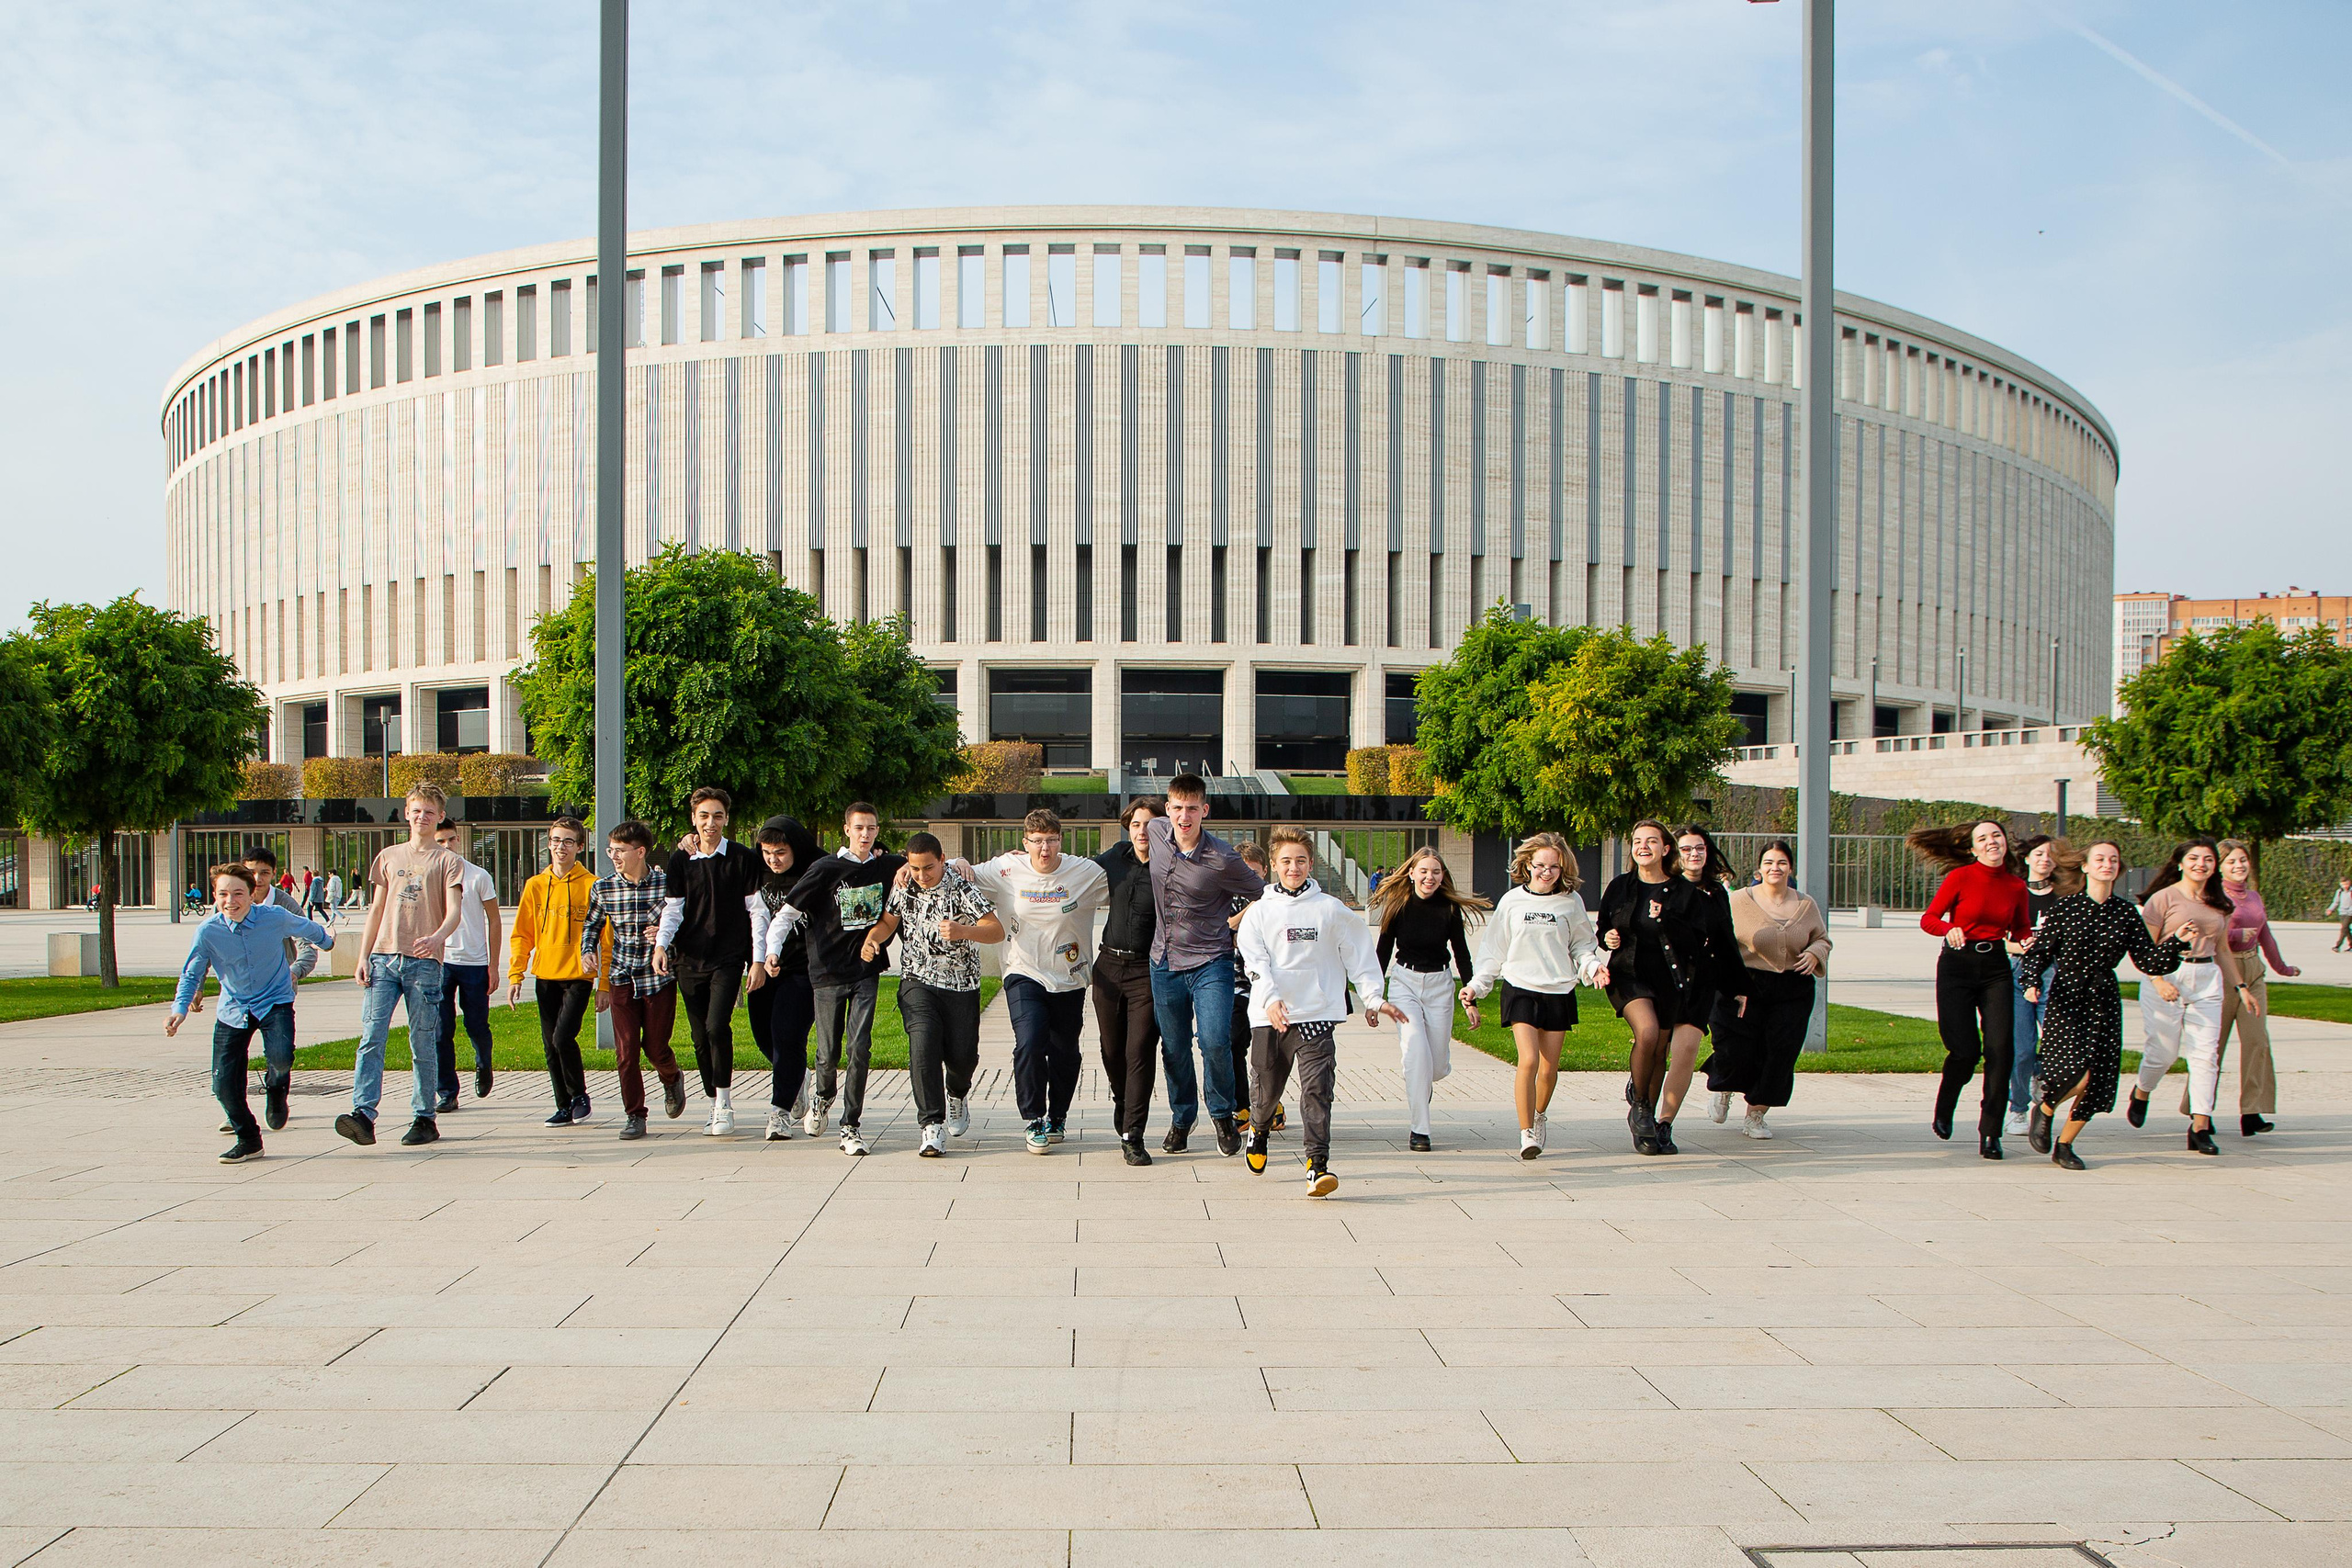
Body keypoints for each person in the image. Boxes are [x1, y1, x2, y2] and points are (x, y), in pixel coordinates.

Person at [1236, 826, 1404, 1195]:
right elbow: (1256, 963)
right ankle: (1259, 1131)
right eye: (1285, 861)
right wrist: (1270, 999)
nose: (1293, 868)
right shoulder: (1259, 914)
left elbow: (1359, 955)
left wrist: (1373, 998)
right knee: (1265, 1093)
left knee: (1317, 1091)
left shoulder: (1331, 910)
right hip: (1270, 1017)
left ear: (1311, 863)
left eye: (1300, 861)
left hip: (1316, 1015)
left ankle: (1317, 1165)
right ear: (1275, 865)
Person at [2022, 840, 2194, 1169]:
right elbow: (2039, 953)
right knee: (2077, 1074)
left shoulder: (2126, 912)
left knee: (2097, 1080)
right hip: (2068, 995)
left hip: (2103, 999)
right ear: (2085, 867)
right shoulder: (2065, 907)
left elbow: (2149, 961)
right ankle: (2044, 1109)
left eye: (2113, 859)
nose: (2107, 864)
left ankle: (2066, 1144)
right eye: (2099, 859)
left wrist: (2177, 941)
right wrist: (2030, 982)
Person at [1595, 821, 1747, 1156]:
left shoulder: (1684, 893)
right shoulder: (1620, 886)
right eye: (1637, 841)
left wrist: (1666, 920)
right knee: (1648, 1032)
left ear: (1666, 849)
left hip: (1671, 980)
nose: (1642, 846)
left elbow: (1698, 941)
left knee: (1661, 1049)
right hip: (1629, 974)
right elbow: (1605, 924)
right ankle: (1641, 1105)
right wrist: (1607, 936)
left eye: (1651, 841)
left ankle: (1650, 1121)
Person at [169, 862, 336, 1163]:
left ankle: (276, 1088)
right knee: (222, 1086)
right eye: (223, 894)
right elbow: (192, 972)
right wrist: (179, 1009)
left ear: (251, 894)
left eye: (238, 893)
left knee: (281, 1056)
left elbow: (307, 927)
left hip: (275, 1001)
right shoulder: (208, 931)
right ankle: (248, 1138)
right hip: (233, 1009)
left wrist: (327, 941)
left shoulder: (273, 917)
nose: (230, 901)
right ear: (215, 896)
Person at [967, 809, 1107, 1154]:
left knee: (1065, 1052)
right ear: (1025, 842)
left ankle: (1057, 1116)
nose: (1044, 849)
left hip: (1070, 977)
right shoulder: (1006, 869)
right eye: (1037, 841)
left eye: (1051, 841)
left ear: (1060, 840)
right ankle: (1033, 1118)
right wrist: (946, 861)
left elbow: (1125, 878)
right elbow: (961, 871)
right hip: (1023, 971)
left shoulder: (1084, 871)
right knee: (1030, 1042)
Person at [1146, 773, 1265, 1156]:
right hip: (1163, 961)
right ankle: (1182, 1119)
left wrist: (1235, 923)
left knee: (1215, 1040)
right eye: (1177, 808)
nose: (1184, 817)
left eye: (1192, 809)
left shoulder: (1222, 858)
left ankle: (1222, 1114)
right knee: (1175, 1047)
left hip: (1210, 960)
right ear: (1168, 809)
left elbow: (1261, 893)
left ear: (1204, 811)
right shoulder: (1156, 831)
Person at [776, 803, 906, 1155]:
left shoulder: (887, 865)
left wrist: (962, 864)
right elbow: (788, 913)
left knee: (859, 1048)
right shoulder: (825, 869)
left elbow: (928, 860)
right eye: (860, 828)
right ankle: (822, 1095)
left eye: (872, 828)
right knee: (828, 1051)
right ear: (846, 829)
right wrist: (771, 950)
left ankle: (851, 1125)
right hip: (827, 972)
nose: (866, 834)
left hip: (866, 971)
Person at [1464, 831, 1602, 1159]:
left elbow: (1583, 945)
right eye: (1540, 865)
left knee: (1549, 1068)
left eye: (1553, 867)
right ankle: (1527, 1133)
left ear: (1562, 868)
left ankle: (1539, 1115)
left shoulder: (1571, 902)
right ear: (1527, 865)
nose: (1546, 872)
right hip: (1520, 988)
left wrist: (1593, 967)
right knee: (1527, 1060)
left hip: (1558, 990)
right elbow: (1493, 951)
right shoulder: (1512, 902)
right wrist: (1476, 986)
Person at [862, 833, 1001, 1156]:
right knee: (922, 1046)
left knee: (963, 1057)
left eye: (929, 868)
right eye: (915, 868)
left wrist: (963, 930)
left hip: (961, 985)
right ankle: (931, 1125)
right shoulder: (904, 884)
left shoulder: (960, 887)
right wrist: (874, 938)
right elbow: (888, 921)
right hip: (917, 980)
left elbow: (996, 930)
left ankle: (957, 1093)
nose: (922, 876)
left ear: (942, 859)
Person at [344, 781, 465, 1149]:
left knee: (422, 1041)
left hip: (424, 963)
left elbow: (455, 911)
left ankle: (424, 1116)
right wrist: (363, 956)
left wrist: (437, 937)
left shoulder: (448, 861)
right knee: (371, 1037)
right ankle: (362, 1114)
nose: (422, 817)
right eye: (416, 810)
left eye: (430, 812)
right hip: (384, 958)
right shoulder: (389, 856)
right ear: (406, 813)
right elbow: (376, 910)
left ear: (440, 816)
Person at [1909, 818, 2030, 1159]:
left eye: (1997, 835)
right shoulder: (1960, 878)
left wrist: (2028, 938)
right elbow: (1929, 918)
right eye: (1983, 838)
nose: (1992, 841)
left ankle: (1991, 1132)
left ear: (2005, 842)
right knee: (1964, 1050)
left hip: (1996, 968)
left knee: (2000, 1051)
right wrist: (1948, 928)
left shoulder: (2015, 886)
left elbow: (2019, 927)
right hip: (1957, 966)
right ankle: (1946, 1102)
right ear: (1973, 848)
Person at [2128, 838, 2256, 1156]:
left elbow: (2222, 949)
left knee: (2205, 1056)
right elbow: (2145, 949)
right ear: (2181, 863)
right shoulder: (2163, 898)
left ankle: (2200, 1126)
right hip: (2169, 974)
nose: (2202, 864)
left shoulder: (2220, 901)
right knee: (2164, 1053)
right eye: (2195, 858)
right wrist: (2157, 981)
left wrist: (2241, 987)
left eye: (2208, 859)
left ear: (2215, 866)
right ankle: (2142, 1092)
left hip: (2206, 979)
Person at [653, 787, 766, 1136]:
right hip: (688, 959)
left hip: (728, 957)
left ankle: (723, 1103)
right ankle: (712, 1095)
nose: (710, 823)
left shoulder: (742, 858)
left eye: (717, 816)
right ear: (693, 819)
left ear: (726, 819)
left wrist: (758, 959)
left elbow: (757, 911)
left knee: (718, 1027)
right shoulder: (680, 859)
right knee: (699, 1035)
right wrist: (661, 945)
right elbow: (673, 910)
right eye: (704, 816)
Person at [1702, 840, 1829, 1139]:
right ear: (1759, 868)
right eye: (1769, 862)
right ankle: (1724, 1087)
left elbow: (1822, 939)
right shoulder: (1739, 901)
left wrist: (1815, 953)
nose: (1775, 868)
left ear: (1790, 868)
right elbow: (1718, 938)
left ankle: (1756, 1115)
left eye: (1782, 863)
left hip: (1793, 986)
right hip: (1746, 983)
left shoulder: (1805, 904)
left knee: (1781, 1053)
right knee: (1736, 1048)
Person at [1368, 845, 1487, 1152]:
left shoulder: (1449, 908)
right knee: (1415, 1049)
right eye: (1423, 871)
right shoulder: (1398, 905)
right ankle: (1419, 1130)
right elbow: (1381, 953)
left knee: (1434, 1066)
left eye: (1435, 872)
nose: (1429, 877)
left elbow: (1462, 954)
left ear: (1442, 875)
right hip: (1405, 984)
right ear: (1411, 873)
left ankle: (1424, 1082)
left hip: (1440, 986)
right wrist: (1373, 998)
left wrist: (1470, 999)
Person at [583, 818, 687, 1141]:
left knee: (655, 1049)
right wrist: (588, 950)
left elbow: (688, 923)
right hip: (622, 977)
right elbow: (591, 926)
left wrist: (667, 935)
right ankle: (635, 1115)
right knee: (626, 1052)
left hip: (658, 978)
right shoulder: (603, 888)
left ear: (640, 852)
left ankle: (671, 1079)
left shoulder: (667, 885)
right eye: (610, 850)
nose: (614, 856)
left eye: (620, 851)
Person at [2192, 840, 2296, 1139]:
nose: (2239, 866)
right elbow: (2206, 933)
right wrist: (2238, 933)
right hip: (2223, 970)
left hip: (2253, 970)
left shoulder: (2253, 896)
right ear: (2220, 867)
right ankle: (2200, 1113)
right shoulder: (2212, 897)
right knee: (2212, 1045)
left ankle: (2252, 1111)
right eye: (2232, 862)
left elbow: (2265, 934)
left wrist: (2282, 967)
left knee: (2257, 1042)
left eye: (2243, 861)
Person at [1650, 825, 1745, 1142]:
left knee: (1686, 1050)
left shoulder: (1716, 893)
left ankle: (1664, 1123)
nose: (1694, 854)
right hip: (1662, 980)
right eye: (1687, 849)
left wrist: (1739, 985)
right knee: (1655, 1052)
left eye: (1700, 848)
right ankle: (1643, 1111)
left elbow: (1727, 941)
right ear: (1675, 853)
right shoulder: (1663, 888)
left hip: (1701, 982)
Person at [510, 817, 602, 1127]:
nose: (560, 847)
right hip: (545, 974)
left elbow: (607, 936)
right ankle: (563, 1105)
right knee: (550, 1044)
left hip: (578, 975)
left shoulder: (592, 885)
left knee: (564, 1037)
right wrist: (516, 973)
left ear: (579, 846)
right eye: (555, 841)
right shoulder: (535, 885)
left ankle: (579, 1096)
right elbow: (522, 933)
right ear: (548, 844)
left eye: (567, 841)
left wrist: (604, 983)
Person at [1091, 796, 1164, 1165]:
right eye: (1136, 825)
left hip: (1146, 974)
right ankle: (1123, 1100)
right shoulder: (1115, 857)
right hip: (1107, 969)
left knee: (1139, 1052)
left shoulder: (1171, 865)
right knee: (1111, 1049)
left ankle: (1133, 1134)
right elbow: (1069, 869)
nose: (1141, 832)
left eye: (1149, 825)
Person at [236, 844, 320, 1135]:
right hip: (239, 992)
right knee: (235, 1051)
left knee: (279, 1053)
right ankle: (237, 1109)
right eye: (251, 872)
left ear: (274, 874)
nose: (257, 879)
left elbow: (309, 944)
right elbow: (212, 942)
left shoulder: (283, 904)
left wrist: (294, 972)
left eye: (264, 873)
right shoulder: (230, 900)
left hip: (277, 992)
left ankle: (276, 1093)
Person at [749, 815, 823, 1143]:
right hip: (764, 964)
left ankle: (780, 1112)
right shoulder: (754, 869)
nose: (773, 860)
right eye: (767, 853)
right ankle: (796, 1079)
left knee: (786, 1035)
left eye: (780, 853)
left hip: (803, 968)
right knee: (763, 1035)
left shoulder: (818, 868)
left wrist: (877, 851)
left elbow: (859, 864)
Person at [432, 819, 502, 1108]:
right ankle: (447, 1092)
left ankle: (483, 1063)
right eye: (440, 842)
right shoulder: (429, 877)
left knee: (476, 1026)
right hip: (440, 963)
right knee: (440, 1030)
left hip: (474, 963)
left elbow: (494, 920)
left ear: (459, 840)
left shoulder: (477, 876)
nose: (447, 846)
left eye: (451, 840)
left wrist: (494, 965)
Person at [2005, 835, 2061, 1136]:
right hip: (2018, 971)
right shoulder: (2014, 891)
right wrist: (2022, 946)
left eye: (2051, 855)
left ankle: (2040, 1073)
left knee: (2055, 1041)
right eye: (2039, 854)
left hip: (2053, 973)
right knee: (2023, 1048)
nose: (2045, 860)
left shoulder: (2064, 895)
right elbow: (2000, 936)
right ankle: (2018, 1108)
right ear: (2027, 858)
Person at [1227, 839, 1275, 1138]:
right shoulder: (1226, 898)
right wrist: (1250, 909)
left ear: (1266, 872)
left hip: (1266, 987)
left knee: (1268, 1053)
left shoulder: (1275, 901)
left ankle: (1270, 1105)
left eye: (1255, 874)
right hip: (1234, 987)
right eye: (1243, 873)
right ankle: (1242, 1106)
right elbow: (1226, 929)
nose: (1249, 880)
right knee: (1232, 1044)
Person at [2330, 877, 2352, 953]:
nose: (2345, 886)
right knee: (2347, 930)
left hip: (2350, 913)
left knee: (2344, 928)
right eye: (2343, 884)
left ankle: (2337, 946)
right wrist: (2330, 909)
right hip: (2342, 913)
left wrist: (2350, 911)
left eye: (2347, 884)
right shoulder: (2339, 892)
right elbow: (2336, 902)